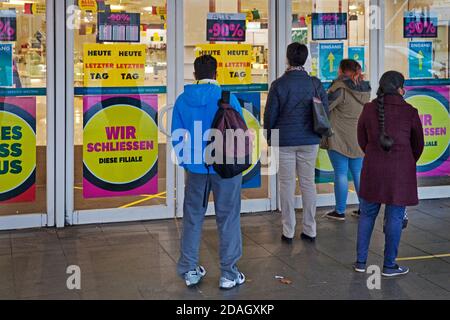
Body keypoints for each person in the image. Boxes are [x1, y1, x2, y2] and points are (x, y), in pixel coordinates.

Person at [171, 55, 246, 289]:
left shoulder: (182, 100)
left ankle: (190, 269)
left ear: (194, 75)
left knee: (193, 217)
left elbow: (177, 136)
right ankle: (228, 274)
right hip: (225, 168)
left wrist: (188, 161)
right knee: (228, 218)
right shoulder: (227, 98)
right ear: (216, 73)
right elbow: (241, 132)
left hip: (196, 169)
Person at [354, 71, 424, 277]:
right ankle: (389, 265)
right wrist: (407, 161)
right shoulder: (410, 111)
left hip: (372, 170)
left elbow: (361, 139)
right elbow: (418, 145)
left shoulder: (368, 109)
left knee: (367, 215)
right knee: (394, 217)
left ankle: (360, 262)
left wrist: (374, 154)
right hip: (400, 173)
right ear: (400, 88)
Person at [264, 43, 328, 244]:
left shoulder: (279, 84)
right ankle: (310, 229)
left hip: (284, 141)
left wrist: (270, 138)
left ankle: (288, 230)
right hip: (310, 139)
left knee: (286, 184)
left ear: (287, 58)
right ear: (305, 59)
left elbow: (270, 115)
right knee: (308, 183)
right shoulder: (315, 83)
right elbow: (324, 111)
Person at [324, 60, 371, 221]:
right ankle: (364, 209)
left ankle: (340, 211)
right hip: (358, 136)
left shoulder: (340, 88)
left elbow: (325, 106)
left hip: (339, 136)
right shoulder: (365, 89)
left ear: (342, 70)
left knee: (341, 173)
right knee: (358, 173)